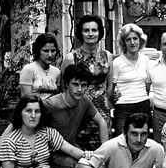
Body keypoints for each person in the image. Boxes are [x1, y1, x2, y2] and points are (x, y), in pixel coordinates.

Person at [0, 63, 109, 168]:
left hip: (72, 149)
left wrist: (105, 151)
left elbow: (101, 122)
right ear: (67, 84)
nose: (79, 89)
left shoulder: (84, 101)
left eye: (83, 85)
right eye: (75, 84)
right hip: (52, 155)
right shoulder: (50, 104)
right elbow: (18, 120)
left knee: (104, 166)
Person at [61, 15, 114, 150]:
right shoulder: (71, 58)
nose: (91, 34)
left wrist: (104, 102)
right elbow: (63, 87)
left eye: (94, 30)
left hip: (102, 109)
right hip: (79, 108)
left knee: (103, 148)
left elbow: (109, 86)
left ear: (99, 32)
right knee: (80, 149)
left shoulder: (106, 55)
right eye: (86, 30)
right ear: (81, 33)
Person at [111, 23, 151, 136]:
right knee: (121, 140)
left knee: (143, 142)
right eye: (128, 39)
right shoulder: (117, 63)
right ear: (123, 43)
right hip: (123, 108)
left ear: (140, 40)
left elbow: (147, 85)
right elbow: (110, 90)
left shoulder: (145, 60)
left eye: (135, 38)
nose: (132, 42)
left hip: (143, 105)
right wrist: (115, 99)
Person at [19, 33, 61, 99]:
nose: (50, 55)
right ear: (38, 51)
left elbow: (58, 97)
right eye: (46, 51)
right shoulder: (29, 69)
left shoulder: (57, 72)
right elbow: (26, 99)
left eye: (53, 51)